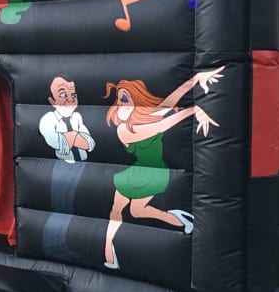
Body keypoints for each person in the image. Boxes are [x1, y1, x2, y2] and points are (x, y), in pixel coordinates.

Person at [102, 67, 224, 270]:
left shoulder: (145, 118)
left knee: (125, 210)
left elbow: (170, 102)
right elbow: (161, 125)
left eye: (124, 99)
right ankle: (181, 221)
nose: (120, 104)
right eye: (119, 99)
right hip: (145, 172)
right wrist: (192, 110)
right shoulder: (124, 129)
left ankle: (109, 250)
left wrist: (196, 79)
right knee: (131, 211)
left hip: (150, 173)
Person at [38, 75, 95, 259]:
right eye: (63, 94)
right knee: (60, 208)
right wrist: (74, 138)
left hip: (81, 166)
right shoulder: (48, 119)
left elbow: (89, 143)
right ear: (52, 100)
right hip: (63, 167)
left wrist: (72, 138)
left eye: (73, 94)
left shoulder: (77, 117)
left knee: (73, 207)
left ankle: (65, 243)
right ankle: (52, 244)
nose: (70, 99)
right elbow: (57, 141)